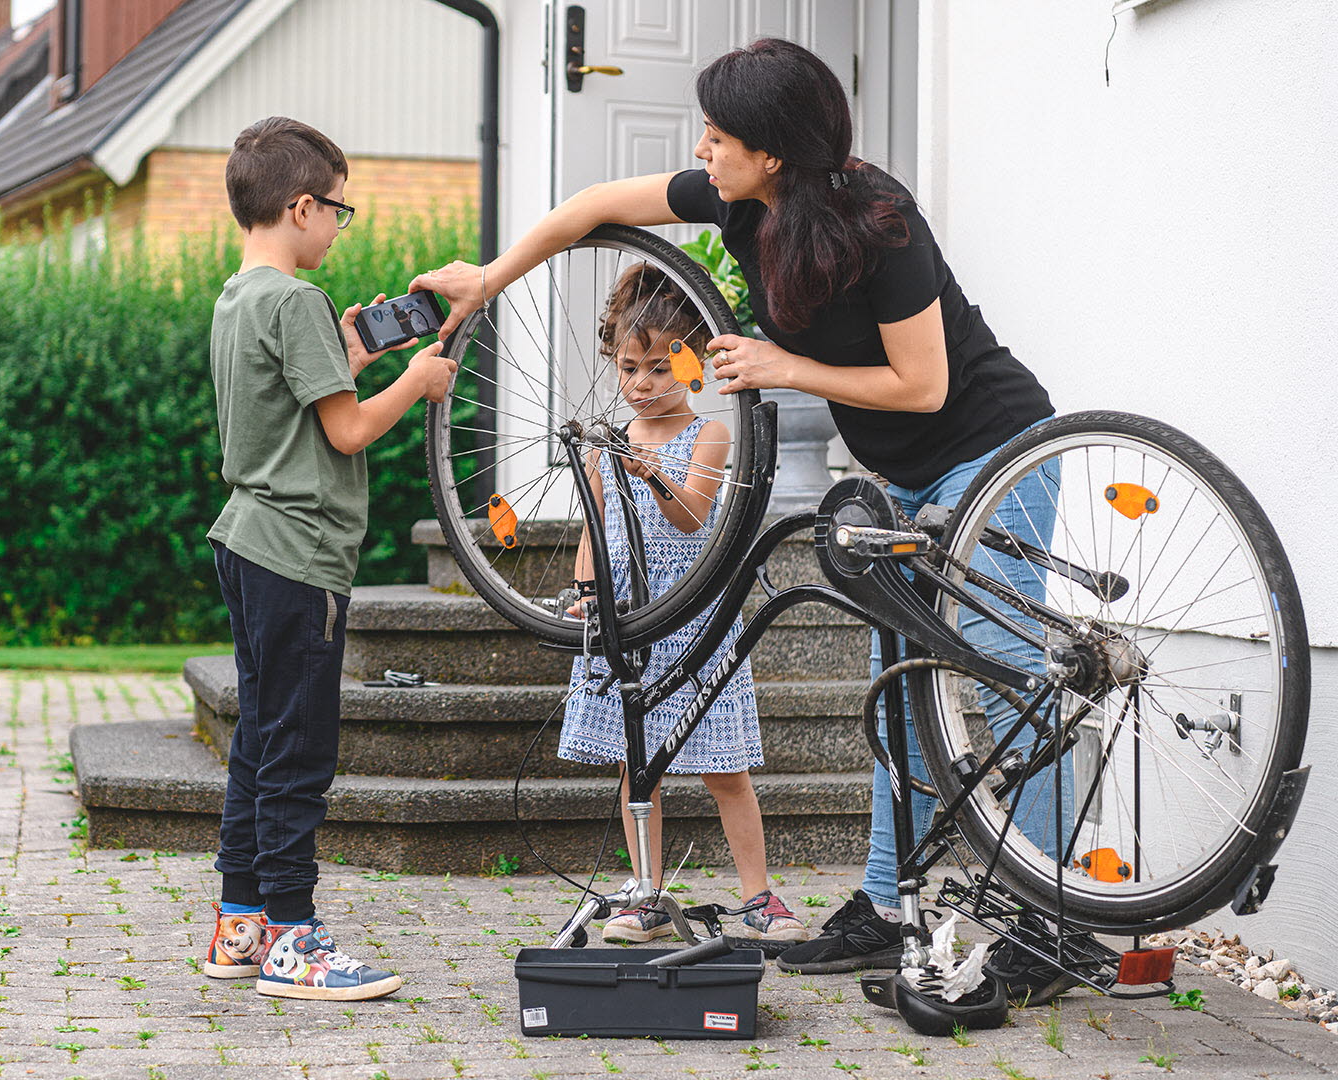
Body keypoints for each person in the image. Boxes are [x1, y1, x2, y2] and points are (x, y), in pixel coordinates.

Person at [411, 38, 1062, 974]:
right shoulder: (733, 200)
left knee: (1002, 674)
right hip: (905, 481)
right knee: (898, 689)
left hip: (992, 451)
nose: (702, 150)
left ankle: (1055, 916)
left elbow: (924, 385)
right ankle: (887, 902)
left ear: (777, 153)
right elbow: (592, 208)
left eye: (719, 136)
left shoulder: (884, 223)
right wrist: (492, 277)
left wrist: (784, 367)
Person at [201, 116, 457, 1001]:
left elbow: (301, 409)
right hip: (297, 553)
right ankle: (295, 942)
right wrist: (413, 380)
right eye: (338, 212)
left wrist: (349, 361)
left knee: (259, 739)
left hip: (245, 539)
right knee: (300, 750)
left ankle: (240, 928)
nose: (339, 229)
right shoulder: (295, 302)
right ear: (302, 205)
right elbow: (347, 428)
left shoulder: (239, 299)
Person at [557, 262, 804, 944]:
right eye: (629, 368)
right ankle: (644, 894)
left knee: (724, 765)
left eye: (660, 370)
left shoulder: (712, 434)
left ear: (692, 367)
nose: (641, 385)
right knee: (636, 767)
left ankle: (758, 896)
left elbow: (694, 516)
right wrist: (585, 593)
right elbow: (593, 529)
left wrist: (656, 471)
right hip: (628, 618)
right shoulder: (610, 445)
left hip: (694, 619)